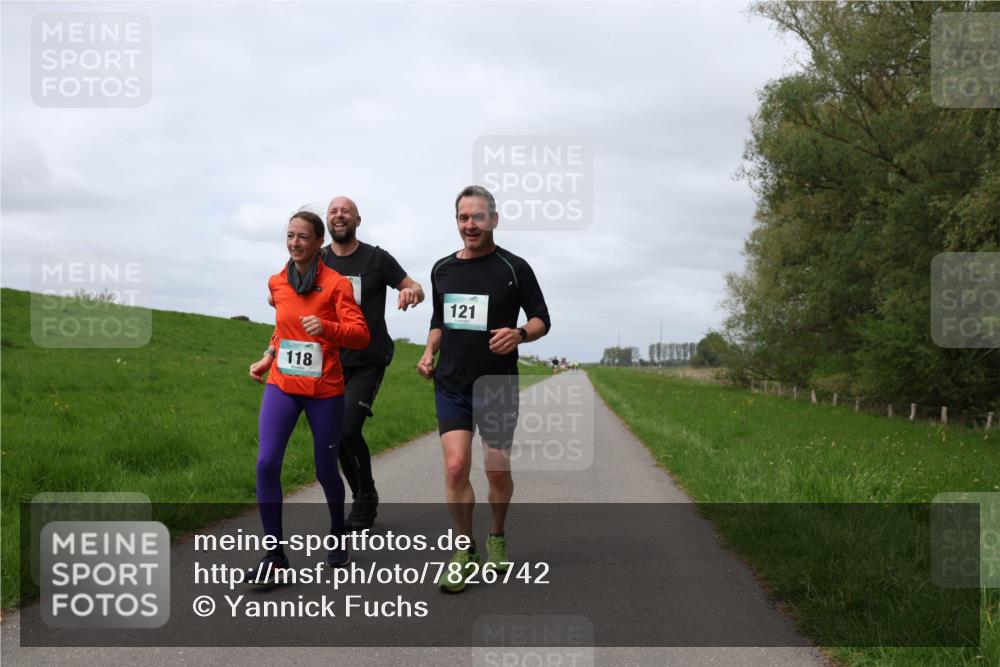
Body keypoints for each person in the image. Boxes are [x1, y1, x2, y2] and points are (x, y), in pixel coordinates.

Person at [417, 185, 550, 593]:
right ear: (456, 221)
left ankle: (496, 535)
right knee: (456, 466)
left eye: (477, 217)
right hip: (452, 383)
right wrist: (428, 352)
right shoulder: (442, 269)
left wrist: (519, 335)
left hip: (496, 385)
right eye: (463, 218)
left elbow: (542, 318)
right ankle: (463, 549)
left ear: (493, 219)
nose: (469, 225)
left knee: (496, 469)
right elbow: (440, 319)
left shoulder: (514, 268)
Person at [247, 211, 370, 582]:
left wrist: (328, 328)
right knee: (266, 463)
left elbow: (360, 335)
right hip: (282, 385)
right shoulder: (277, 282)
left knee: (323, 470)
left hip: (324, 390)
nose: (295, 243)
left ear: (319, 242)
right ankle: (274, 555)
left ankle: (336, 533)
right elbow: (283, 328)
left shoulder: (336, 285)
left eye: (303, 237)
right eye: (289, 236)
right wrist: (268, 357)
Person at [320, 195, 424, 530]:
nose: (339, 216)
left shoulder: (376, 259)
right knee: (335, 438)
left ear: (357, 221)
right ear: (327, 220)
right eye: (333, 211)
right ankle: (364, 492)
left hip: (367, 360)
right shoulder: (318, 260)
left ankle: (364, 497)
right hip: (328, 362)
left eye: (345, 211)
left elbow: (415, 286)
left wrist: (411, 293)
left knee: (347, 429)